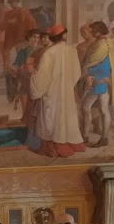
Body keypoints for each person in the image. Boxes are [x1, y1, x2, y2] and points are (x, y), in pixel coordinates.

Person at [30, 25, 86, 158]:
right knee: (65, 116)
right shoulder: (71, 50)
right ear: (63, 36)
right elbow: (76, 73)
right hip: (66, 91)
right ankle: (66, 143)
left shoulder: (49, 53)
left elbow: (42, 77)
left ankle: (52, 147)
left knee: (50, 117)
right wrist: (67, 85)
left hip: (51, 92)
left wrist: (33, 74)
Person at [79, 21, 114, 148]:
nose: (91, 32)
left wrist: (100, 77)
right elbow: (87, 63)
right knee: (86, 108)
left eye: (93, 30)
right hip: (92, 80)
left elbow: (111, 65)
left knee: (103, 110)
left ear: (98, 31)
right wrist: (87, 75)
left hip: (102, 81)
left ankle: (103, 138)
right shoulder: (93, 45)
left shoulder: (109, 44)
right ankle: (85, 136)